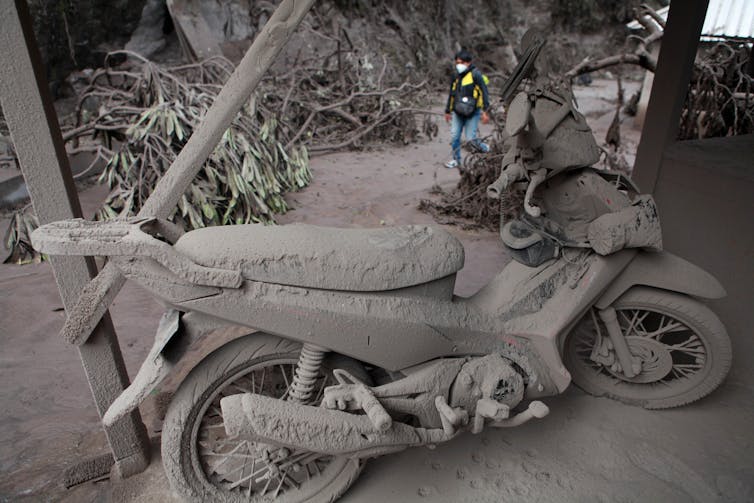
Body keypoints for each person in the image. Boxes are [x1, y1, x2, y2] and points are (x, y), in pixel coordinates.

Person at [444, 50, 490, 169]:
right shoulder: (456, 76)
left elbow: (484, 92)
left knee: (471, 139)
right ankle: (456, 160)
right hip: (457, 111)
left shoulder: (476, 75)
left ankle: (486, 150)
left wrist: (485, 111)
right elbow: (452, 93)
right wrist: (447, 111)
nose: (459, 65)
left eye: (462, 62)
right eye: (457, 62)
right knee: (455, 137)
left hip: (473, 112)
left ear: (468, 62)